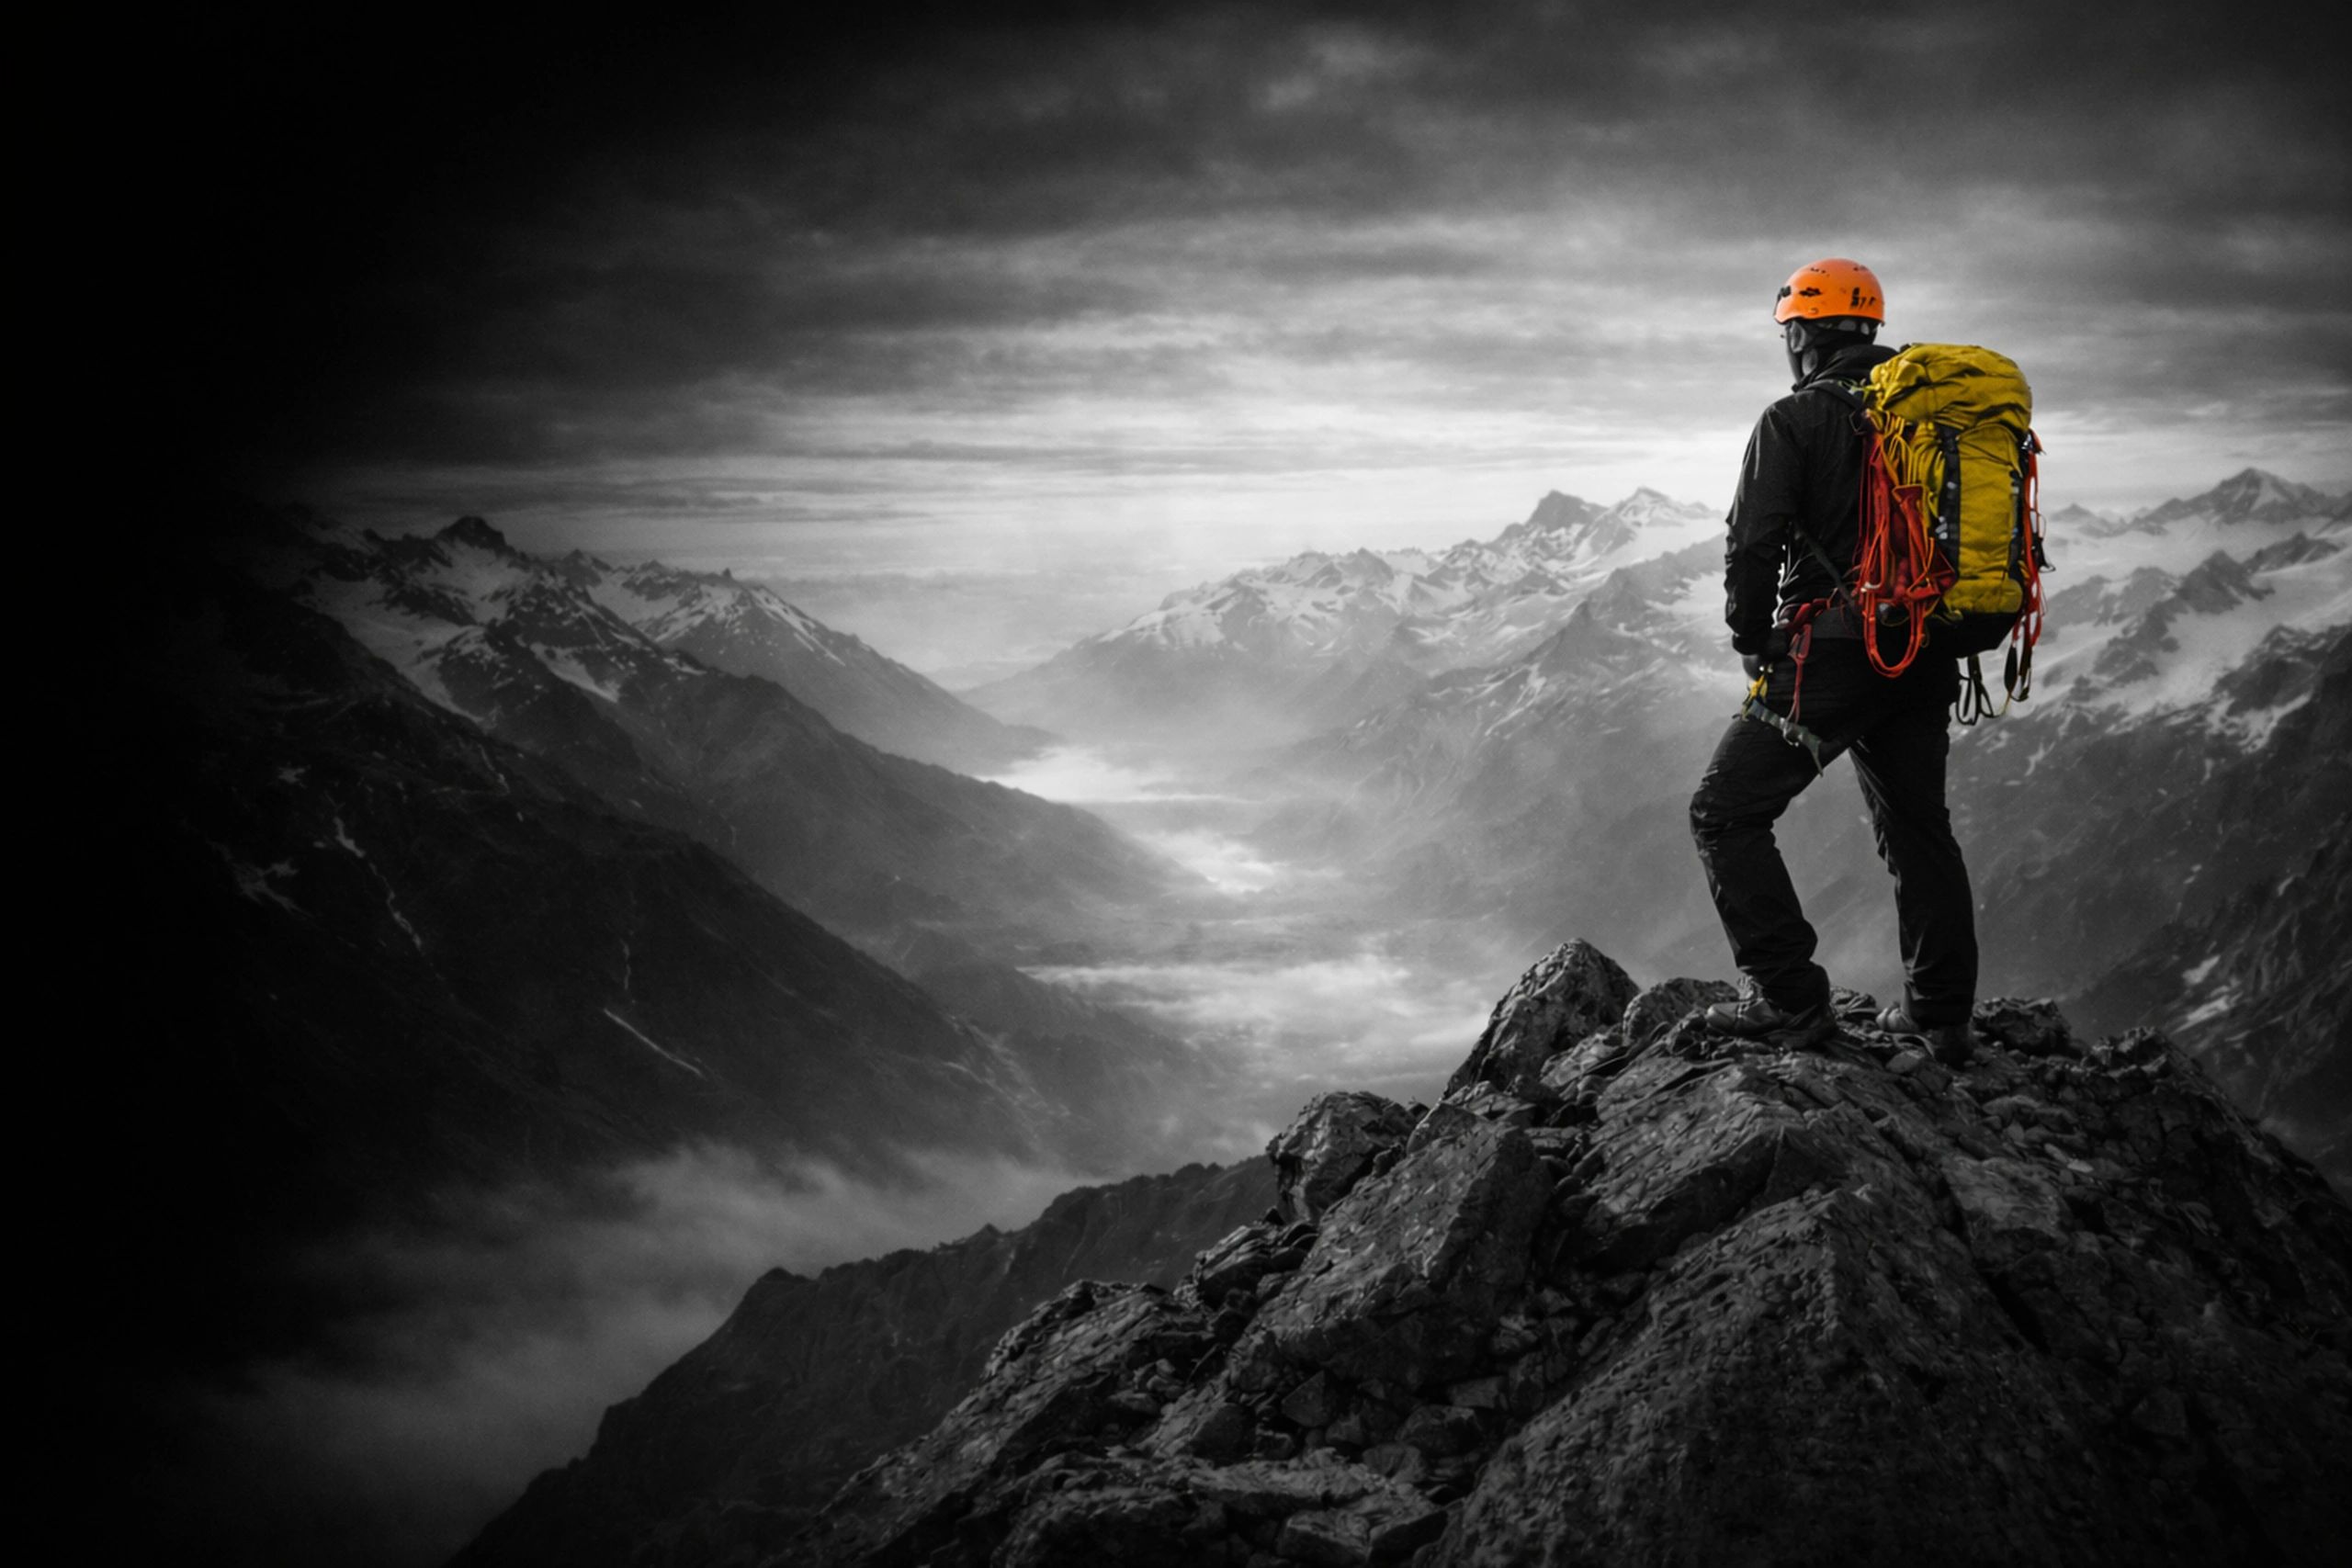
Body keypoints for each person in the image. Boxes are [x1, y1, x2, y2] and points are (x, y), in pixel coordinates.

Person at [1688, 257, 1977, 1064]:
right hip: (1924, 648)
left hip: (1835, 653)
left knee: (1725, 812)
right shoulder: (1930, 416)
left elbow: (1753, 543)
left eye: (1791, 331)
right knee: (1919, 828)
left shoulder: (1795, 420)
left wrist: (1755, 640)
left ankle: (1787, 998)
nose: (1789, 345)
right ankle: (1941, 1015)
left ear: (1806, 335)